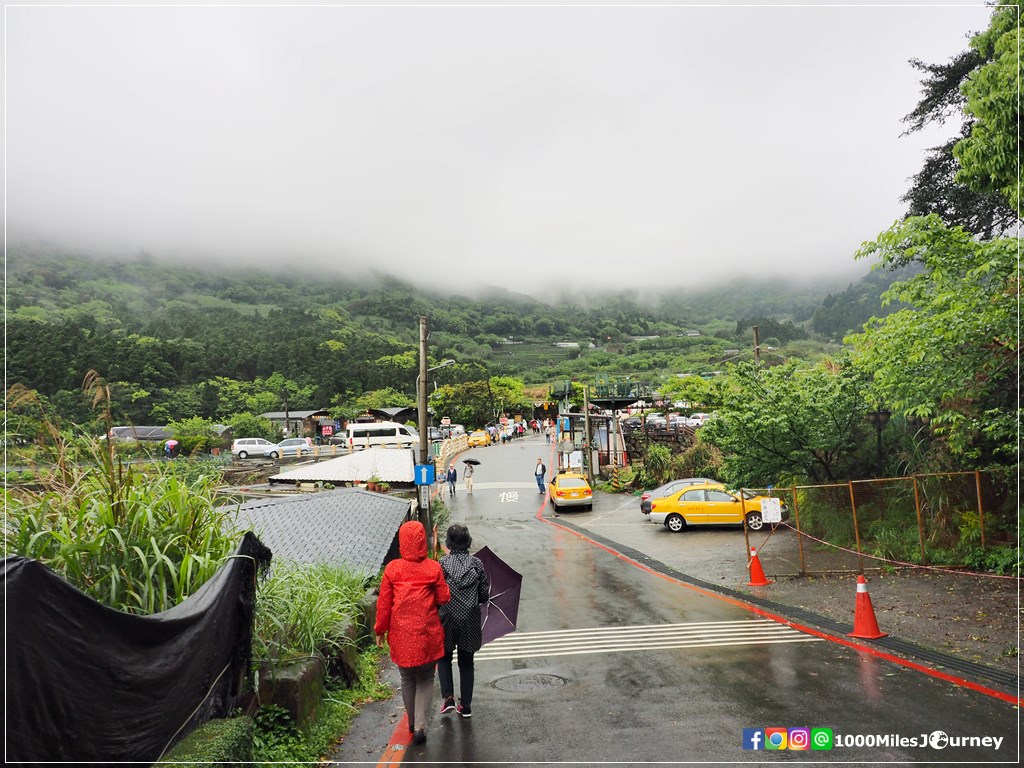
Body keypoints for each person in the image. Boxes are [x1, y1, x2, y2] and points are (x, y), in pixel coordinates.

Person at [375, 521, 451, 746]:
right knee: (426, 678)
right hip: (426, 633)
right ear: (422, 540)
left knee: (407, 678)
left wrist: (380, 630)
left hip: (400, 634)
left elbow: (384, 604)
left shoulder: (392, 569)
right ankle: (420, 727)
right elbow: (444, 598)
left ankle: (411, 723)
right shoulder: (432, 568)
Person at [437, 524, 490, 719]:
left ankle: (448, 698)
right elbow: (484, 595)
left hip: (447, 618)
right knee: (467, 662)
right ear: (468, 542)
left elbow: (437, 594)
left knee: (444, 657)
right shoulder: (477, 564)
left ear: (449, 543)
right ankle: (465, 706)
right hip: (470, 620)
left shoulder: (441, 565)